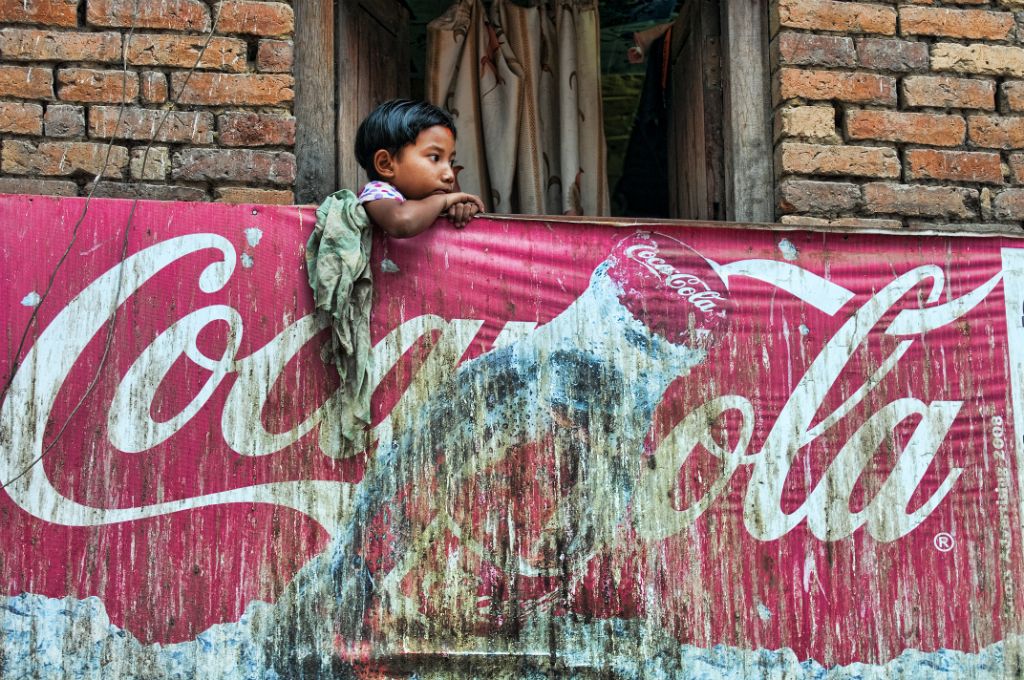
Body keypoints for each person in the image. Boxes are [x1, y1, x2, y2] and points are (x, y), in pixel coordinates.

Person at [353, 99, 485, 237]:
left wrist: (460, 208)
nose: (449, 175)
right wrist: (444, 201)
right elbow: (402, 222)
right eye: (435, 158)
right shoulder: (377, 191)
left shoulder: (428, 198)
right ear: (385, 164)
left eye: (450, 162)